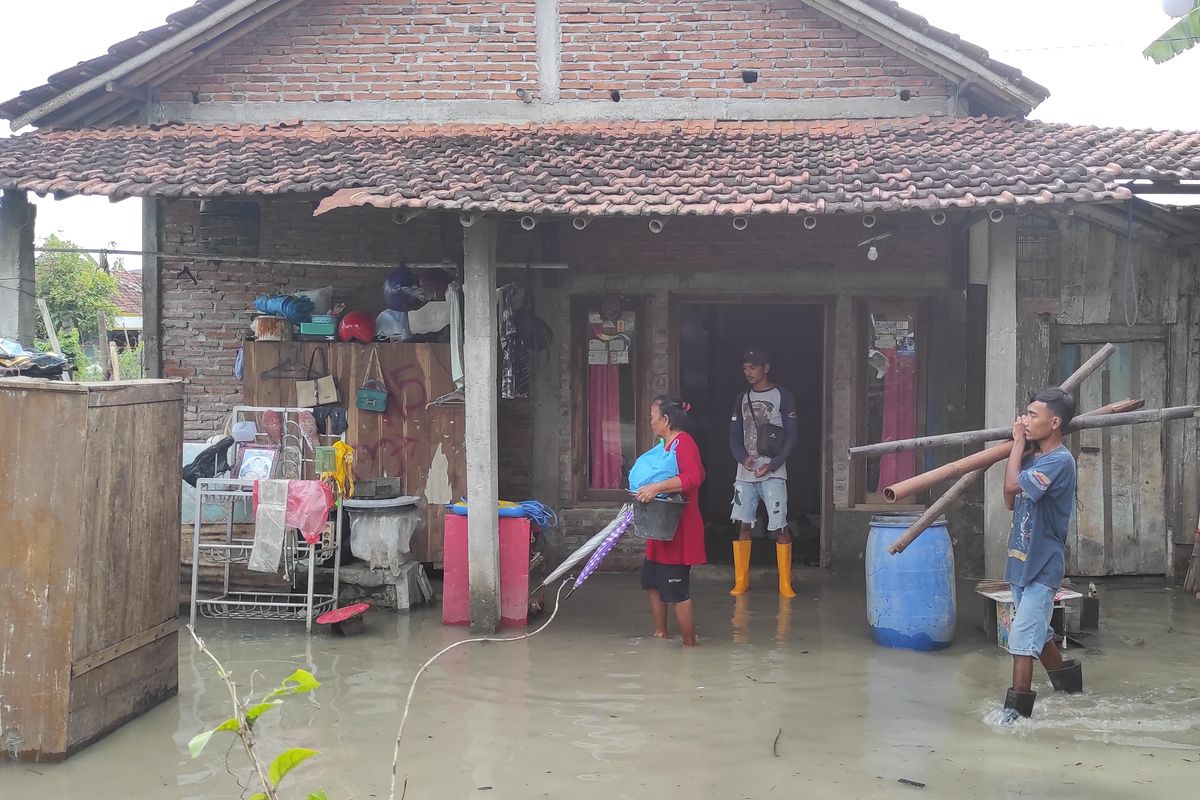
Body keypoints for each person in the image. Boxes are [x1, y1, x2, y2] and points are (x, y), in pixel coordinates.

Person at [1000, 387, 1083, 723]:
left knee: (1021, 639)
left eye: (1034, 415)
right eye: (1027, 413)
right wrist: (1021, 449)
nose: (1026, 419)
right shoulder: (1033, 459)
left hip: (1043, 566)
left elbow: (1009, 487)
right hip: (1020, 562)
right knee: (1039, 632)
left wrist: (1017, 443)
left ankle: (1015, 716)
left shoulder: (1060, 461)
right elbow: (1010, 502)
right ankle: (1072, 694)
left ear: (1055, 422)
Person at [633, 395, 706, 646]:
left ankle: (690, 645)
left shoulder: (684, 443)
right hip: (658, 527)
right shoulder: (665, 446)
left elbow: (694, 477)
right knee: (651, 582)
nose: (650, 422)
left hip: (678, 529)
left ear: (666, 419)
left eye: (653, 417)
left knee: (676, 590)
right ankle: (661, 634)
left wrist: (655, 488)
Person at [727, 348, 798, 597]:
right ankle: (741, 580)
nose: (748, 372)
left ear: (766, 368)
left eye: (753, 367)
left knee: (779, 525)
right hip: (744, 474)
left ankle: (785, 583)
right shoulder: (741, 397)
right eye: (745, 367)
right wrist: (742, 458)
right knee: (744, 523)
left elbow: (791, 436)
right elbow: (734, 435)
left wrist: (774, 463)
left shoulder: (783, 395)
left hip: (774, 472)